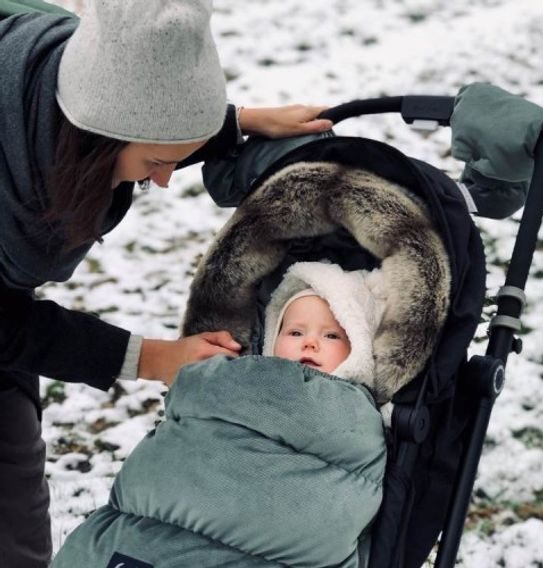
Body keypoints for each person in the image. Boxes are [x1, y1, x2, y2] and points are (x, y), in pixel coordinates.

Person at [0, 1, 334, 566]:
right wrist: (148, 358)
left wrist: (237, 122)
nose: (161, 179)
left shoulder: (72, 87)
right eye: (157, 161)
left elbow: (137, 105)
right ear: (91, 138)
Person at [50, 261, 387, 567]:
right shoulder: (229, 380)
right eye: (295, 332)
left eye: (331, 335)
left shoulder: (359, 419)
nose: (309, 343)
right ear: (271, 339)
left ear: (359, 348)